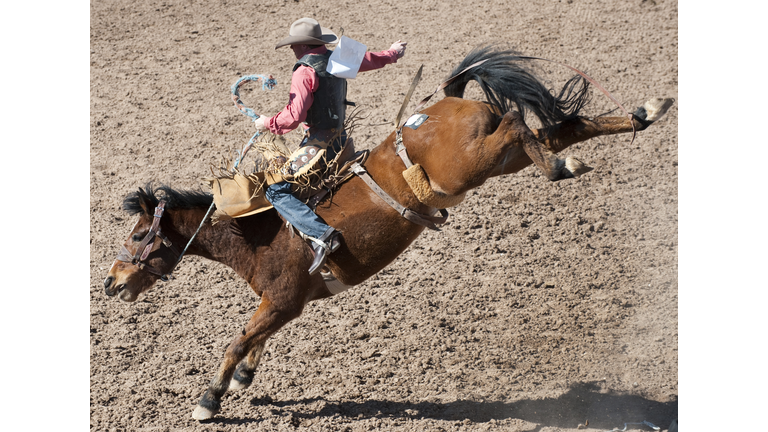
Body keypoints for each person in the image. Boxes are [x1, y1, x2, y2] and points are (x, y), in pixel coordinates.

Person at [253, 17, 407, 275]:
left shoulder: (304, 70)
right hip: (342, 139)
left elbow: (294, 116)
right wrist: (392, 53)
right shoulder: (337, 58)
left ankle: (324, 235)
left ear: (302, 45)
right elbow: (369, 59)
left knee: (276, 191)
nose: (291, 49)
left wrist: (268, 123)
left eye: (293, 44)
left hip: (320, 146)